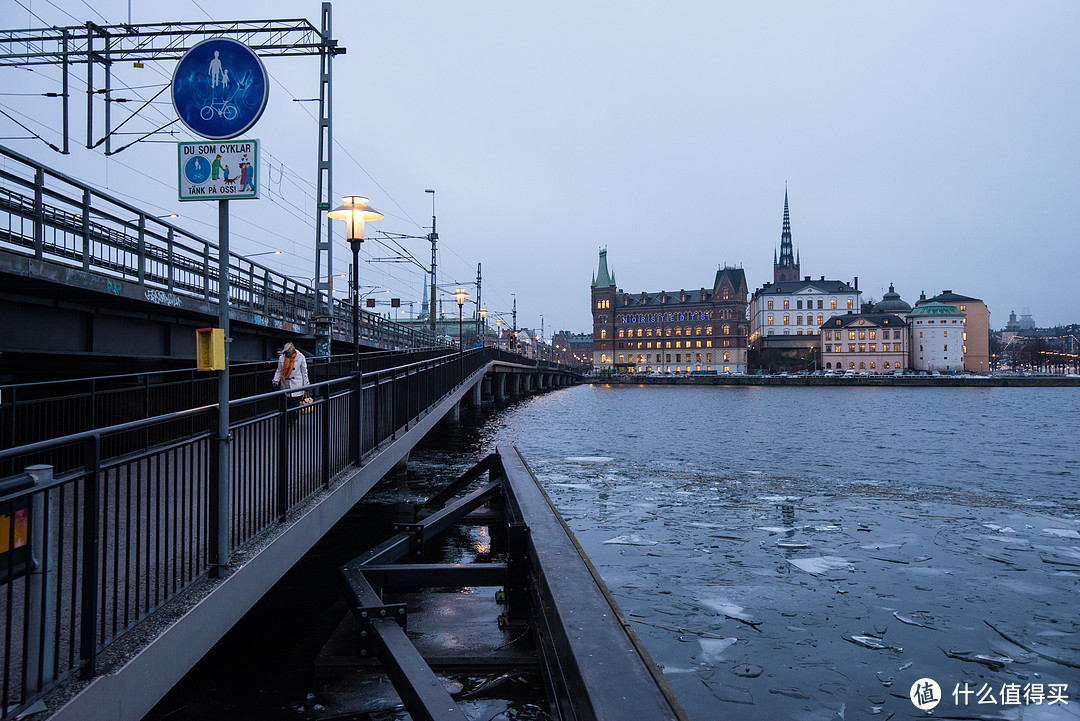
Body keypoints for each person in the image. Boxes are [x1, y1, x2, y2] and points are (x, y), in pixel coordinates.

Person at [272, 342, 309, 425]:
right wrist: (275, 381)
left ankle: (291, 420)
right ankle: (289, 419)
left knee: (294, 404)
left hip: (296, 385)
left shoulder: (300, 357)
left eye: (288, 353)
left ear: (292, 351)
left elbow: (304, 372)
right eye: (286, 353)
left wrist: (306, 384)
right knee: (287, 404)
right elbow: (279, 371)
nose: (287, 355)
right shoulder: (282, 358)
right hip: (285, 384)